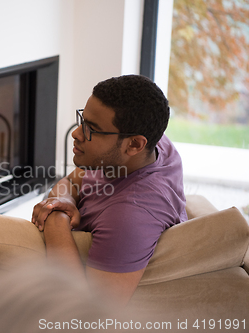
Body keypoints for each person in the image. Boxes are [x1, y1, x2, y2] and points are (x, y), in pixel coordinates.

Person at [31, 75, 187, 306]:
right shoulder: (154, 147)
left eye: (91, 129)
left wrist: (55, 219)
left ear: (134, 144)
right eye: (82, 120)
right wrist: (63, 200)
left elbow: (90, 314)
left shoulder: (130, 217)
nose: (76, 133)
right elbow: (73, 181)